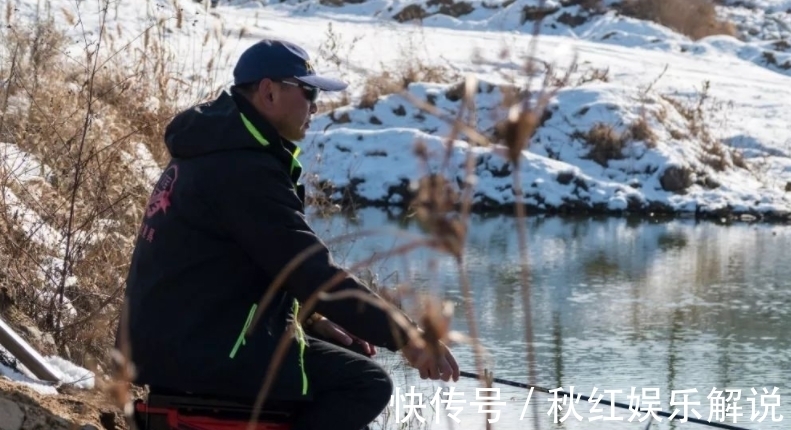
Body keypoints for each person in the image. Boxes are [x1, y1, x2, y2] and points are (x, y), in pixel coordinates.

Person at [116, 38, 460, 430]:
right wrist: (408, 339)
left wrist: (310, 320)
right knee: (366, 383)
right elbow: (311, 271)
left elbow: (249, 266)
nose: (316, 106)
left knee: (347, 355)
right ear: (269, 92)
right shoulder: (242, 169)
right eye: (309, 92)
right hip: (202, 355)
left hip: (185, 343)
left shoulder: (219, 147)